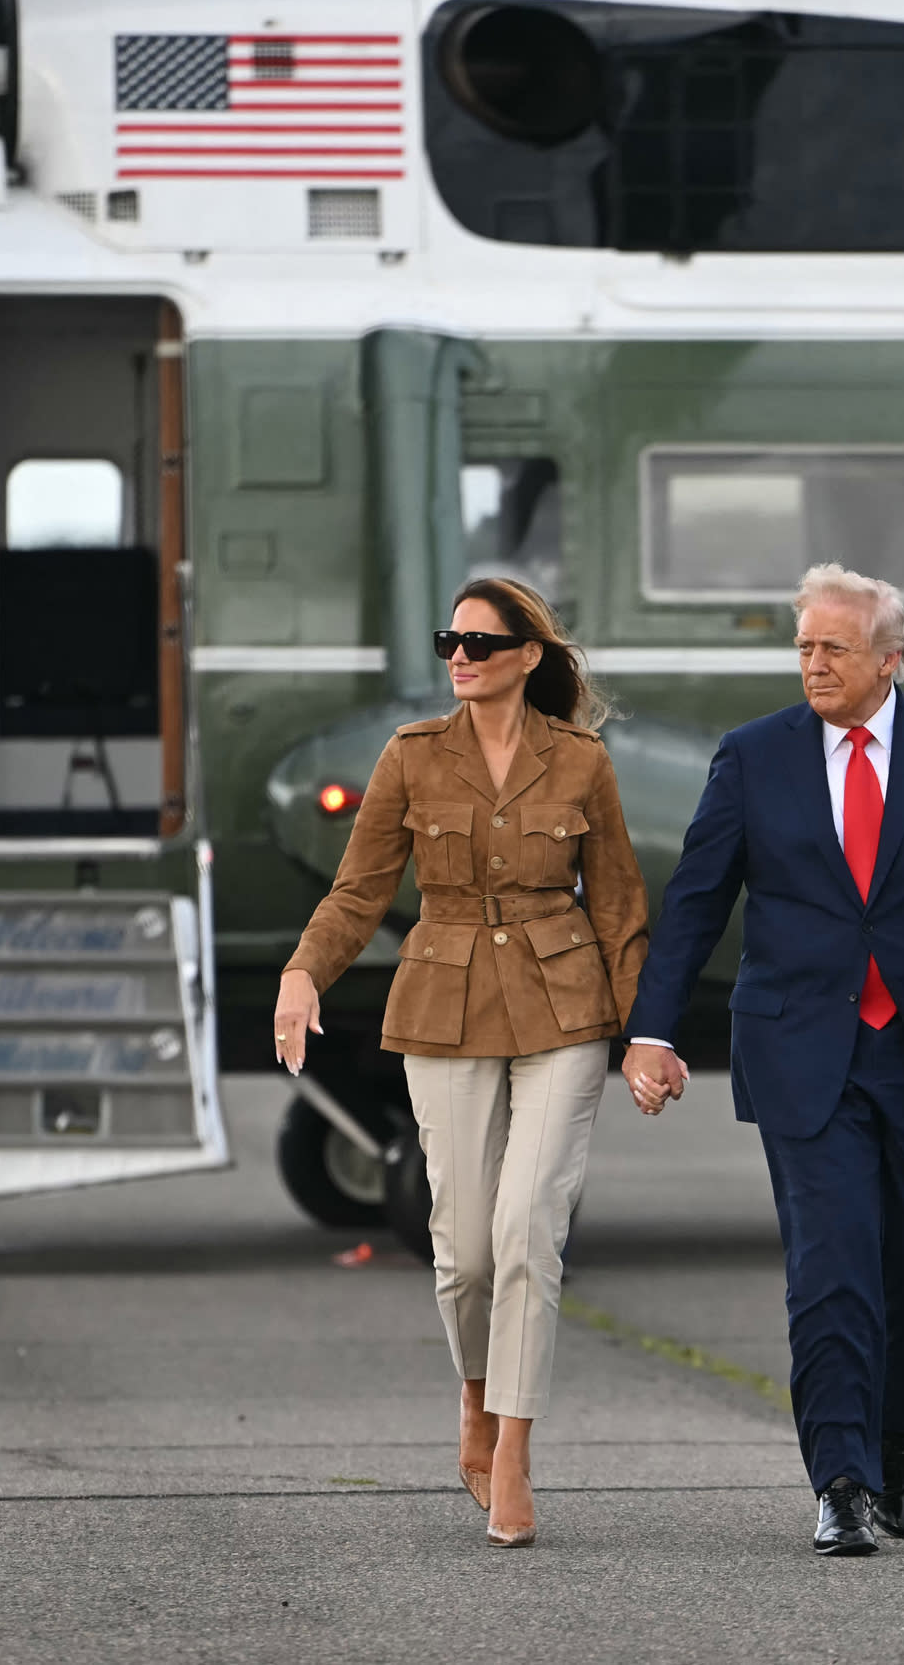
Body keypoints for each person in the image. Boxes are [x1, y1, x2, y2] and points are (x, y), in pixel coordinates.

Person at [622, 563, 904, 1556]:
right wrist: (652, 1027)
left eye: (834, 648)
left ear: (890, 660)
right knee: (829, 1266)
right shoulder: (753, 756)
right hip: (804, 1050)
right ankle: (840, 1479)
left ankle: (894, 1436)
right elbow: (695, 901)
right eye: (803, 646)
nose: (813, 663)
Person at [275, 578, 648, 1548]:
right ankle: (476, 1393)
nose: (462, 653)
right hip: (441, 1000)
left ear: (529, 655)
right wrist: (302, 973)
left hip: (564, 1003)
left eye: (483, 640)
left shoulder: (581, 762)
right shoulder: (411, 758)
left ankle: (516, 1446)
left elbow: (617, 907)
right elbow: (359, 891)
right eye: (453, 638)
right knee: (466, 1247)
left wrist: (647, 1032)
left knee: (530, 1228)